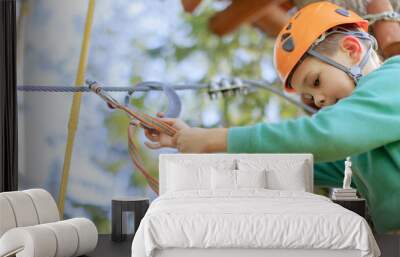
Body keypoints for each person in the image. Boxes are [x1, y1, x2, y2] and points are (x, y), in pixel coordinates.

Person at [133, 1, 400, 234]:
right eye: (310, 96)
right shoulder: (358, 148)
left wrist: (214, 139)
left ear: (351, 49)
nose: (318, 101)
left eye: (316, 81)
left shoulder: (393, 77)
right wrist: (195, 142)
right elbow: (292, 160)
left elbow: (326, 135)